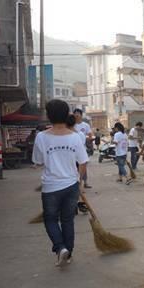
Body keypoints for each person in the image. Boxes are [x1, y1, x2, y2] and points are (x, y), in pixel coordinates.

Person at [32, 100, 88, 267]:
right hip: (71, 185)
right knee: (67, 220)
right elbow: (83, 161)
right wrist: (79, 180)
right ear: (66, 115)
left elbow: (37, 161)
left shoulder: (41, 137)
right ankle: (68, 254)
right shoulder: (75, 137)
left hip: (50, 187)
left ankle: (60, 248)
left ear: (49, 115)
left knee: (50, 219)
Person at [73, 108, 93, 188]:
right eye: (75, 114)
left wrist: (85, 138)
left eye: (78, 114)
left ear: (81, 115)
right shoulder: (71, 125)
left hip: (83, 149)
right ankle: (76, 183)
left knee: (83, 167)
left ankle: (85, 182)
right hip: (73, 150)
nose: (77, 115)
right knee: (74, 167)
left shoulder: (85, 125)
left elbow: (90, 135)